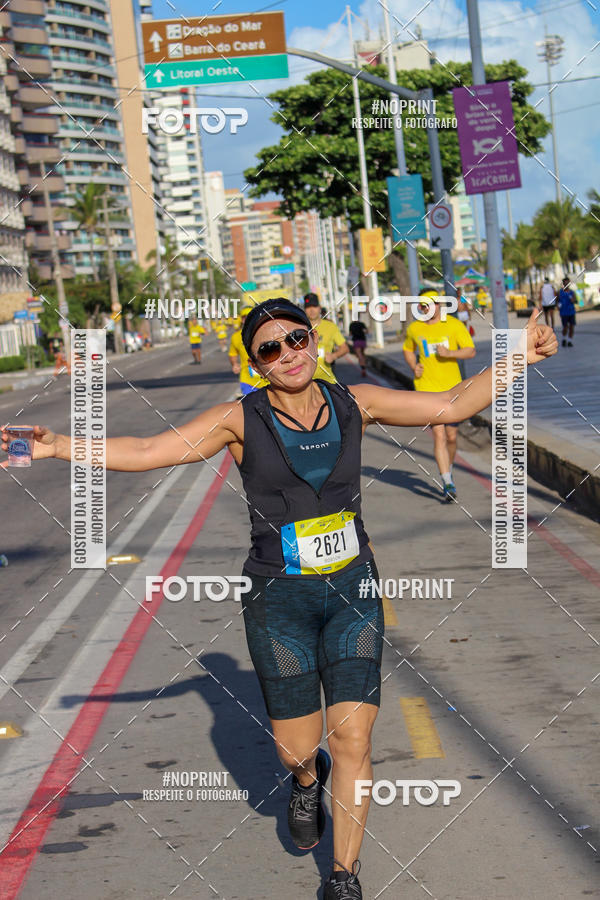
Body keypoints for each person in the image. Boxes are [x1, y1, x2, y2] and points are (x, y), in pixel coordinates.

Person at [4, 298, 557, 900]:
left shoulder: (357, 402)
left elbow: (452, 404)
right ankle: (302, 778)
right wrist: (59, 446)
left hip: (353, 589)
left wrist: (518, 356)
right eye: (270, 348)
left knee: (354, 739)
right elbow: (145, 452)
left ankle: (344, 877)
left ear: (313, 341)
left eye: (296, 339)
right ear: (257, 363)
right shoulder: (238, 421)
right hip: (278, 602)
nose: (288, 354)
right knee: (298, 748)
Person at [403, 290, 476, 502]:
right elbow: (408, 349)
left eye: (430, 305)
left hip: (452, 389)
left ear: (439, 305)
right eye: (422, 306)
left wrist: (450, 354)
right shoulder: (415, 328)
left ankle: (448, 469)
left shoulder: (453, 325)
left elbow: (470, 350)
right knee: (439, 435)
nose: (426, 309)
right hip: (427, 389)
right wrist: (413, 366)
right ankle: (447, 482)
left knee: (452, 437)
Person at [303, 292, 349, 383]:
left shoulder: (331, 326)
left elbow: (345, 348)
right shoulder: (299, 328)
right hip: (305, 382)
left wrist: (333, 356)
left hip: (327, 380)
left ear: (319, 308)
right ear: (304, 309)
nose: (312, 310)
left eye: (314, 306)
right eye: (308, 307)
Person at [228, 306, 269, 396]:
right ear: (242, 320)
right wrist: (234, 364)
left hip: (268, 379)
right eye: (244, 317)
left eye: (250, 316)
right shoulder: (236, 337)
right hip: (248, 381)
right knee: (252, 408)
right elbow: (232, 354)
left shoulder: (267, 332)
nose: (247, 319)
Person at [558, 276, 576, 347]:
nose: (567, 285)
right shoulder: (560, 292)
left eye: (568, 283)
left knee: (572, 327)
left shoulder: (572, 292)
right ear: (563, 284)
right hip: (563, 312)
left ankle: (569, 341)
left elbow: (574, 300)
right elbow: (557, 301)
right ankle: (564, 339)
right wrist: (558, 305)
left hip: (571, 312)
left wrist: (572, 299)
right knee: (565, 327)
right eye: (566, 283)